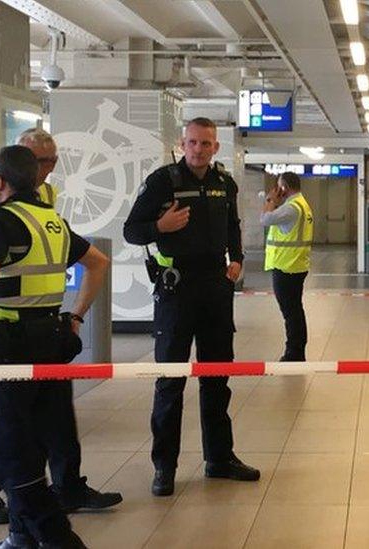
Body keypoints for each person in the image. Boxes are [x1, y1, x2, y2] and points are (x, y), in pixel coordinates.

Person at [0, 128, 121, 526]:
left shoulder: (45, 204)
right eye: (41, 161)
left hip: (43, 329)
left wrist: (73, 317)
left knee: (51, 415)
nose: (47, 169)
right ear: (16, 162)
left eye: (52, 161)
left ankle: (61, 489)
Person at [123, 117, 260, 498]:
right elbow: (132, 230)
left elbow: (232, 226)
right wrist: (160, 227)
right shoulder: (163, 181)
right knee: (170, 381)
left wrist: (237, 257)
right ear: (182, 144)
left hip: (217, 288)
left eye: (206, 144)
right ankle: (164, 467)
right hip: (176, 291)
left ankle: (219, 458)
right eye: (193, 143)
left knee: (217, 379)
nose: (199, 150)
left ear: (216, 147)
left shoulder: (224, 184)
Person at [261, 172, 313, 361]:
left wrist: (270, 199)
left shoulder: (292, 208)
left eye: (279, 187)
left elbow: (265, 219)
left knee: (291, 313)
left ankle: (294, 353)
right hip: (295, 265)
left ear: (284, 187)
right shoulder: (301, 204)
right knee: (294, 311)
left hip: (286, 267)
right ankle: (296, 351)